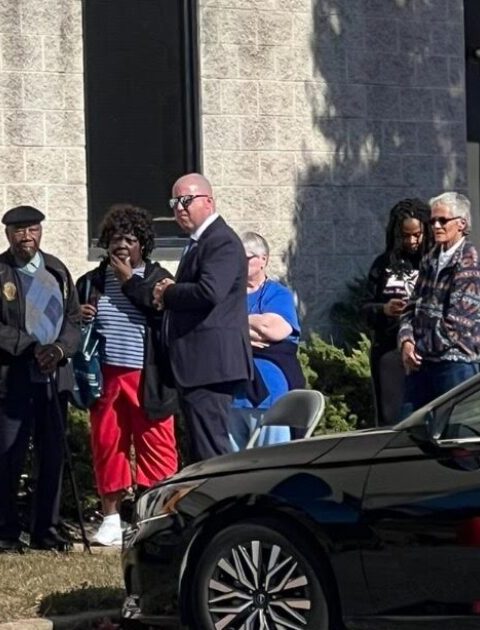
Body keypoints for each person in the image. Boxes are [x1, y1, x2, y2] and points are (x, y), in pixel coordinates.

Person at [76, 204, 178, 546]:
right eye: (115, 239)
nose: (122, 245)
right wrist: (80, 314)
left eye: (130, 240)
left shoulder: (159, 278)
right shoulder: (90, 282)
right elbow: (73, 327)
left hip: (149, 377)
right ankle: (110, 519)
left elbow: (164, 315)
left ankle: (154, 518)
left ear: (143, 245)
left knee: (156, 445)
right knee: (108, 445)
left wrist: (128, 280)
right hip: (106, 376)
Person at [153, 173, 252, 463]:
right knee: (200, 451)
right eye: (174, 203)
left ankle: (223, 495)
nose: (179, 208)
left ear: (208, 201)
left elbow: (209, 292)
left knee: (211, 453)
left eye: (186, 200)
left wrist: (169, 293)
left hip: (210, 366)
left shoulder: (221, 241)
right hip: (196, 366)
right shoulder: (198, 242)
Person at [0, 205, 80, 552]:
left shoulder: (57, 270)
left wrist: (60, 349)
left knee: (52, 455)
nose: (26, 237)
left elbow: (74, 319)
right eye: (19, 231)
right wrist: (29, 346)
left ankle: (46, 529)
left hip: (54, 376)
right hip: (13, 378)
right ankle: (5, 530)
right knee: (8, 455)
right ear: (8, 235)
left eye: (33, 229)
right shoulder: (1, 271)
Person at [399, 192, 480, 413]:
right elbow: (410, 308)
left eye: (442, 220)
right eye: (432, 221)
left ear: (461, 224)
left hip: (456, 364)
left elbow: (457, 325)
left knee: (456, 431)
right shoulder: (430, 260)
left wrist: (418, 347)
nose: (435, 226)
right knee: (407, 426)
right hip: (423, 363)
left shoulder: (470, 263)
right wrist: (406, 341)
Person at [228, 232, 305, 449]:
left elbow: (274, 330)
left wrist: (232, 324)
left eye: (246, 257)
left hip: (270, 393)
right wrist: (249, 329)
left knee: (272, 459)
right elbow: (213, 330)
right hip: (232, 393)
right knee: (232, 463)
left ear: (263, 259)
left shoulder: (277, 294)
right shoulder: (227, 295)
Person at [362, 199, 432, 425]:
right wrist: (384, 309)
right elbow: (364, 308)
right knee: (392, 418)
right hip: (389, 351)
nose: (411, 241)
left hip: (426, 352)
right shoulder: (383, 264)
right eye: (405, 236)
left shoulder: (434, 263)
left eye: (417, 235)